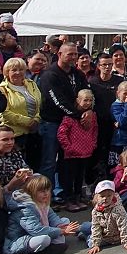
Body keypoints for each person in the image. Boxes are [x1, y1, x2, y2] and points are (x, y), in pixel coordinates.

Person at [37, 43, 85, 204]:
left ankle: (64, 194)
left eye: (75, 54)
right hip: (52, 122)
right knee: (49, 161)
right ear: (59, 54)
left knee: (67, 161)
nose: (73, 57)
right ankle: (45, 197)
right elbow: (57, 100)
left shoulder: (77, 74)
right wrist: (78, 114)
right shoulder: (50, 75)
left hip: (72, 124)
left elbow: (86, 93)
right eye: (70, 54)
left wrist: (88, 111)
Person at [3, 174, 80, 254]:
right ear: (32, 191)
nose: (46, 193)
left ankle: (51, 245)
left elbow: (52, 217)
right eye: (42, 191)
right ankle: (30, 253)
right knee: (44, 239)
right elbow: (36, 230)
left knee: (65, 221)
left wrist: (61, 226)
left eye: (47, 190)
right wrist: (61, 231)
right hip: (20, 239)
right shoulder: (25, 207)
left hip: (38, 231)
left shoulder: (41, 201)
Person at [57, 90, 98, 209]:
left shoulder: (92, 115)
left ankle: (78, 197)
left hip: (86, 151)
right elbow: (61, 133)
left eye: (90, 100)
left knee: (80, 177)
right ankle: (68, 200)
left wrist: (93, 144)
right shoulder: (70, 116)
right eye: (85, 100)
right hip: (72, 153)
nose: (88, 103)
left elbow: (95, 130)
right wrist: (68, 148)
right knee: (69, 177)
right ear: (78, 100)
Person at [84, 180, 127, 254]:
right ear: (96, 197)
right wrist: (96, 244)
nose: (105, 198)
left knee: (90, 243)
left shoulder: (118, 209)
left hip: (112, 238)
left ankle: (86, 236)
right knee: (84, 227)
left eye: (109, 196)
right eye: (102, 196)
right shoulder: (96, 210)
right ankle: (82, 232)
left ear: (113, 195)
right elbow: (96, 226)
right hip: (103, 232)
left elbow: (124, 226)